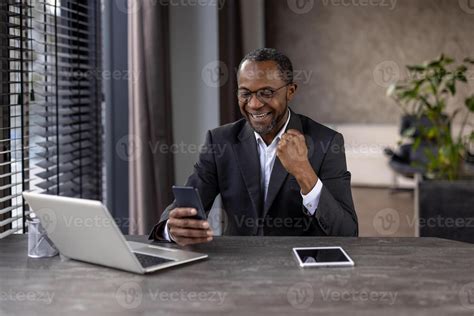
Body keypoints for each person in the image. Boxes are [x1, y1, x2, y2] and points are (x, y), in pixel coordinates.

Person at [149, 48, 358, 245]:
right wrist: (171, 228)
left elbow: (347, 232)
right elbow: (185, 209)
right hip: (238, 271)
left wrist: (304, 173)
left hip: (299, 271)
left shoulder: (327, 142)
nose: (254, 104)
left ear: (290, 91)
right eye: (245, 93)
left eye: (266, 93)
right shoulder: (220, 141)